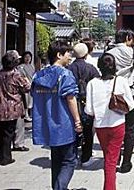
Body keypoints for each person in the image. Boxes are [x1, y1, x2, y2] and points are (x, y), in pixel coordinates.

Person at [32, 41, 82, 190]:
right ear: (59, 55)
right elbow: (71, 98)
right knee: (69, 161)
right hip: (64, 123)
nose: (70, 56)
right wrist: (77, 121)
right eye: (68, 53)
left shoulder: (39, 75)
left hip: (47, 124)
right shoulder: (66, 75)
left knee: (56, 161)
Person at [84, 53, 134, 190]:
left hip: (100, 126)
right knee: (111, 160)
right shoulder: (121, 81)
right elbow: (131, 105)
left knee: (109, 157)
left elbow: (89, 110)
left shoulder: (92, 84)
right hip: (117, 124)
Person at [107, 29, 134, 173]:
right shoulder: (133, 52)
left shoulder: (109, 53)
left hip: (114, 92)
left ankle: (115, 158)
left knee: (115, 126)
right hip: (132, 91)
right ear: (128, 38)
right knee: (130, 129)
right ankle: (126, 163)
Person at [0, 50, 31, 165]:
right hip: (11, 108)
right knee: (8, 133)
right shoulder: (15, 75)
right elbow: (26, 87)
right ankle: (5, 157)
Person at [68, 42, 100, 167]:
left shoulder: (68, 69)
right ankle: (86, 157)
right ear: (86, 54)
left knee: (73, 130)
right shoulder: (91, 68)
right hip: (87, 101)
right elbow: (98, 82)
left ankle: (73, 155)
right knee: (88, 130)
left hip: (72, 101)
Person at [17, 51, 35, 120]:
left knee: (30, 100)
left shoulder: (31, 66)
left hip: (31, 85)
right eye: (26, 57)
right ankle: (26, 115)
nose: (28, 58)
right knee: (26, 101)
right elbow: (22, 76)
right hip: (25, 86)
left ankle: (29, 114)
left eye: (29, 57)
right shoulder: (21, 67)